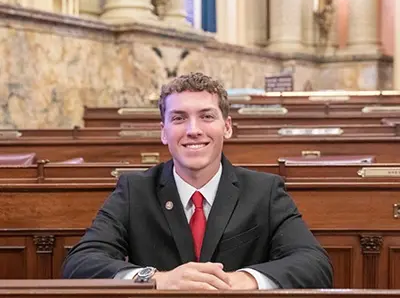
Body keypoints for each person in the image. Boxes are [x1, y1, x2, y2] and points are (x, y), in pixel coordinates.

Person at [62, 72, 333, 290]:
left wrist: (246, 279)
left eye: (206, 116)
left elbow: (315, 264)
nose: (193, 130)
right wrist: (156, 278)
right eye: (179, 118)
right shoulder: (134, 191)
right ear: (164, 132)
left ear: (226, 127)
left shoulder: (265, 191)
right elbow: (80, 263)